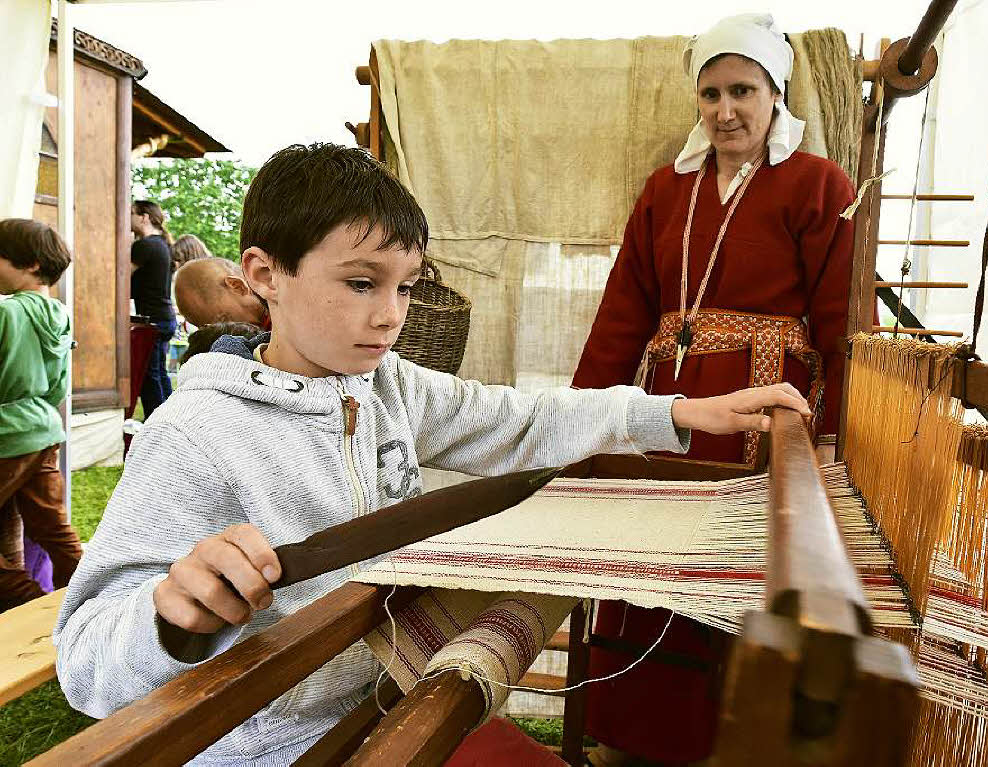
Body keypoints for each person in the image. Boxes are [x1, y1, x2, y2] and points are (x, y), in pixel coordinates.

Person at [54, 143, 809, 766]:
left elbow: (518, 418)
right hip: (274, 746)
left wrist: (675, 411)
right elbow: (84, 659)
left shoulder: (381, 383)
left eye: (406, 288)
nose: (389, 316)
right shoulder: (194, 434)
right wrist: (169, 613)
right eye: (360, 283)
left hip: (392, 703)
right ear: (263, 274)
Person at [572, 15, 856, 766]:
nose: (725, 109)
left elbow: (838, 318)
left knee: (735, 575)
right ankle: (631, 737)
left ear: (776, 93)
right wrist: (582, 419)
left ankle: (727, 743)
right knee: (654, 561)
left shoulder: (819, 184)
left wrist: (838, 434)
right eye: (711, 93)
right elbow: (623, 309)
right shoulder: (666, 189)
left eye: (743, 91)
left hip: (766, 413)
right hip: (674, 406)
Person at [0, 219, 82, 610]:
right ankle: (84, 600)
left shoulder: (8, 313)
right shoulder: (59, 314)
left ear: (30, 264)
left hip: (7, 435)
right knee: (53, 529)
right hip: (45, 430)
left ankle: (29, 604)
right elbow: (56, 387)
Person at [130, 200, 177, 418]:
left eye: (131, 213)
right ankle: (171, 417)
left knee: (150, 377)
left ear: (144, 217)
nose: (127, 218)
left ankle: (157, 423)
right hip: (165, 318)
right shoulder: (163, 244)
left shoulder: (145, 246)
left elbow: (119, 277)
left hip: (153, 320)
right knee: (159, 374)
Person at [173, 256, 270, 329]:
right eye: (212, 329)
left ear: (237, 287)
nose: (225, 333)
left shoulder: (280, 314)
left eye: (224, 319)